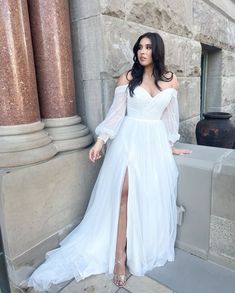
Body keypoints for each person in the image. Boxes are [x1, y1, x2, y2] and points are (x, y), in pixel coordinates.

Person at [26, 32, 192, 291]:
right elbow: (115, 116)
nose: (142, 51)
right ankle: (118, 258)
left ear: (157, 50)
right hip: (128, 142)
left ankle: (138, 245)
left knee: (147, 197)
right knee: (123, 194)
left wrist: (171, 146)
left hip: (155, 146)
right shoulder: (127, 78)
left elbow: (169, 118)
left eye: (148, 47)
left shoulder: (171, 80)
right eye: (139, 47)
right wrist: (100, 141)